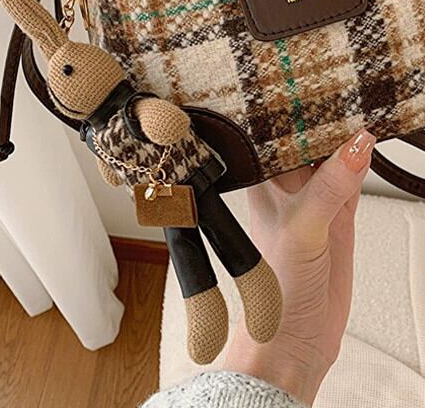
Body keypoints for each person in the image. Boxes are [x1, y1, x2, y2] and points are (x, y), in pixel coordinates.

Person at [143, 129, 376, 407]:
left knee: (216, 241)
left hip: (188, 178)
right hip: (172, 184)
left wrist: (292, 351)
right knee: (189, 248)